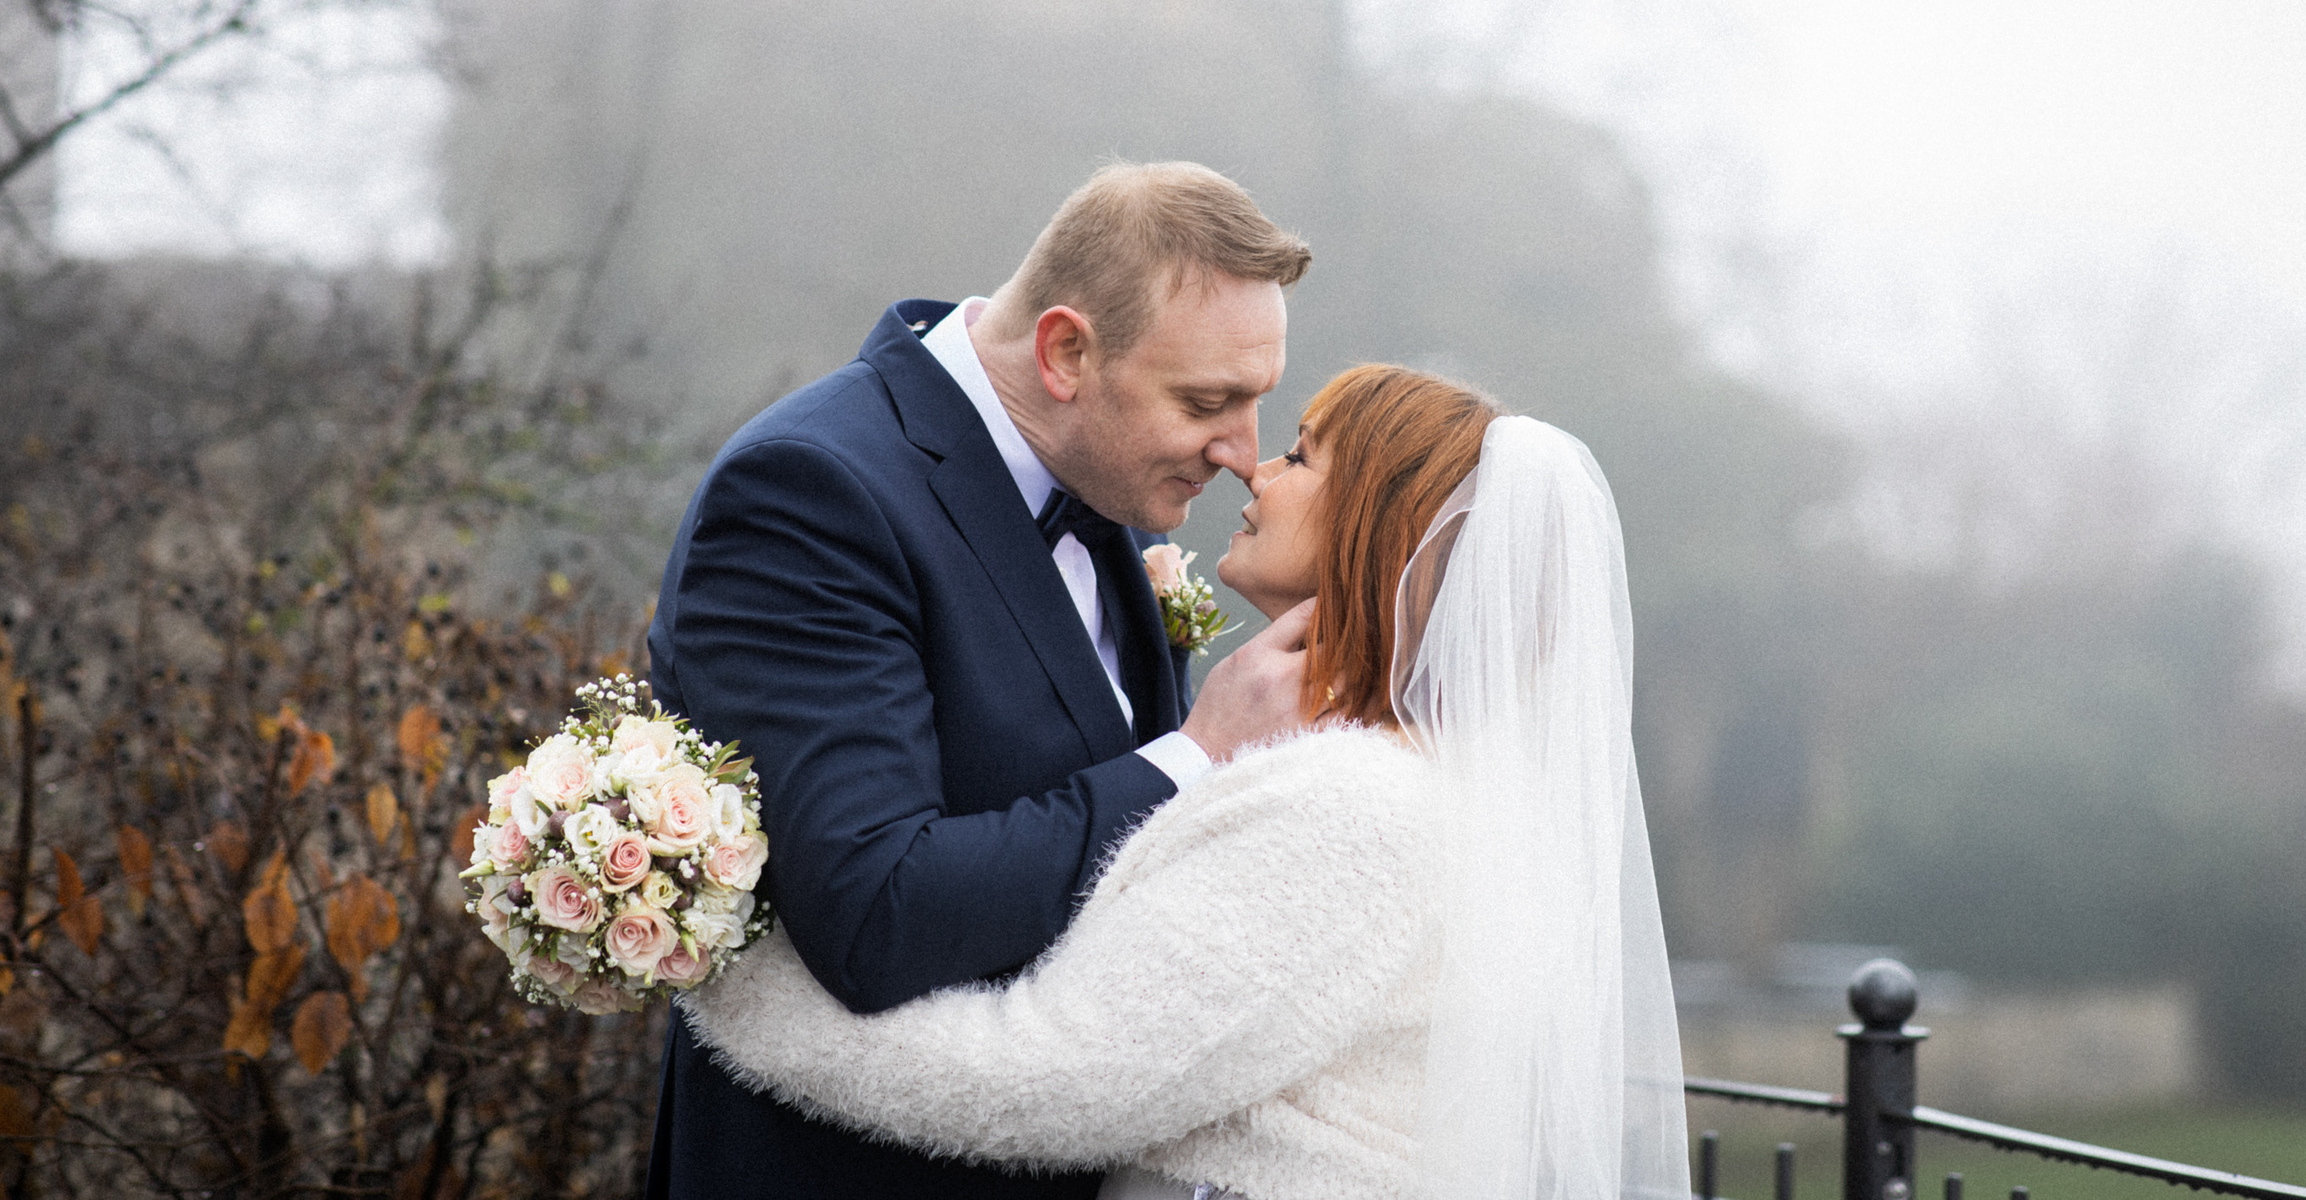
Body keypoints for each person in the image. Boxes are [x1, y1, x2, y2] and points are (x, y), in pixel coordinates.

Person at [681, 364, 1691, 1200]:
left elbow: (1051, 1078)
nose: (1255, 467)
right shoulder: (1429, 788)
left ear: (1376, 528)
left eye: (1301, 455)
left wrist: (732, 973)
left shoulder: (1351, 809)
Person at [644, 162, 1321, 1200]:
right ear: (1064, 352)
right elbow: (876, 911)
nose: (1243, 453)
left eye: (1256, 404)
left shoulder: (1103, 481)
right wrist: (1195, 756)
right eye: (1208, 402)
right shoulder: (810, 494)